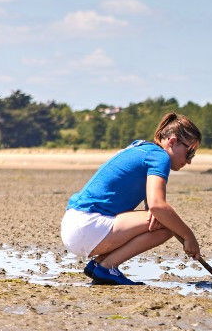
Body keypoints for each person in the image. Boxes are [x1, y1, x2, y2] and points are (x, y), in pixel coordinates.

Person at [61, 112, 204, 286]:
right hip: (88, 225)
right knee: (167, 225)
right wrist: (189, 236)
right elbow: (158, 206)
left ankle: (100, 265)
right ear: (172, 142)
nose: (189, 161)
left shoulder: (141, 148)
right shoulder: (160, 157)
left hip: (75, 223)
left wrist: (165, 219)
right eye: (189, 152)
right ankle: (106, 267)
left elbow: (152, 210)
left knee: (163, 221)